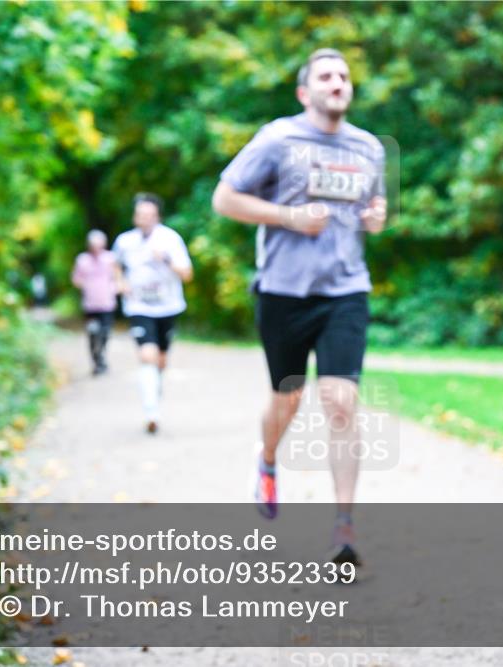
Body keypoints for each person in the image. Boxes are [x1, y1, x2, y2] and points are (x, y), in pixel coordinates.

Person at [212, 48, 387, 566]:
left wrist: (375, 217)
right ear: (304, 92)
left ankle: (344, 527)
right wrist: (287, 217)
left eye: (344, 75)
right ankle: (267, 461)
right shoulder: (277, 138)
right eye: (326, 76)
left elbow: (368, 212)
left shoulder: (368, 148)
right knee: (287, 399)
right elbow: (224, 199)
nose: (337, 82)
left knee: (340, 401)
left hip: (345, 290)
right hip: (283, 291)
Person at [112, 193, 193, 434]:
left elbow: (187, 274)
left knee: (160, 361)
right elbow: (115, 264)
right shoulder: (125, 241)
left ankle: (153, 392)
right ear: (135, 217)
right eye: (140, 214)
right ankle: (151, 411)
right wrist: (120, 282)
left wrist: (166, 259)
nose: (144, 218)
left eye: (149, 215)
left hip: (168, 307)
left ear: (157, 216)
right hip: (139, 307)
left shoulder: (170, 239)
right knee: (147, 355)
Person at [71, 230, 120, 376]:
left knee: (105, 333)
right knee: (93, 332)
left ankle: (101, 357)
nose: (96, 248)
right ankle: (97, 361)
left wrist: (115, 287)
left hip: (107, 304)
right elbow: (76, 279)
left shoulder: (110, 258)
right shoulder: (82, 260)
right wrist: (85, 284)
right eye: (93, 245)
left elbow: (118, 276)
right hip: (90, 305)